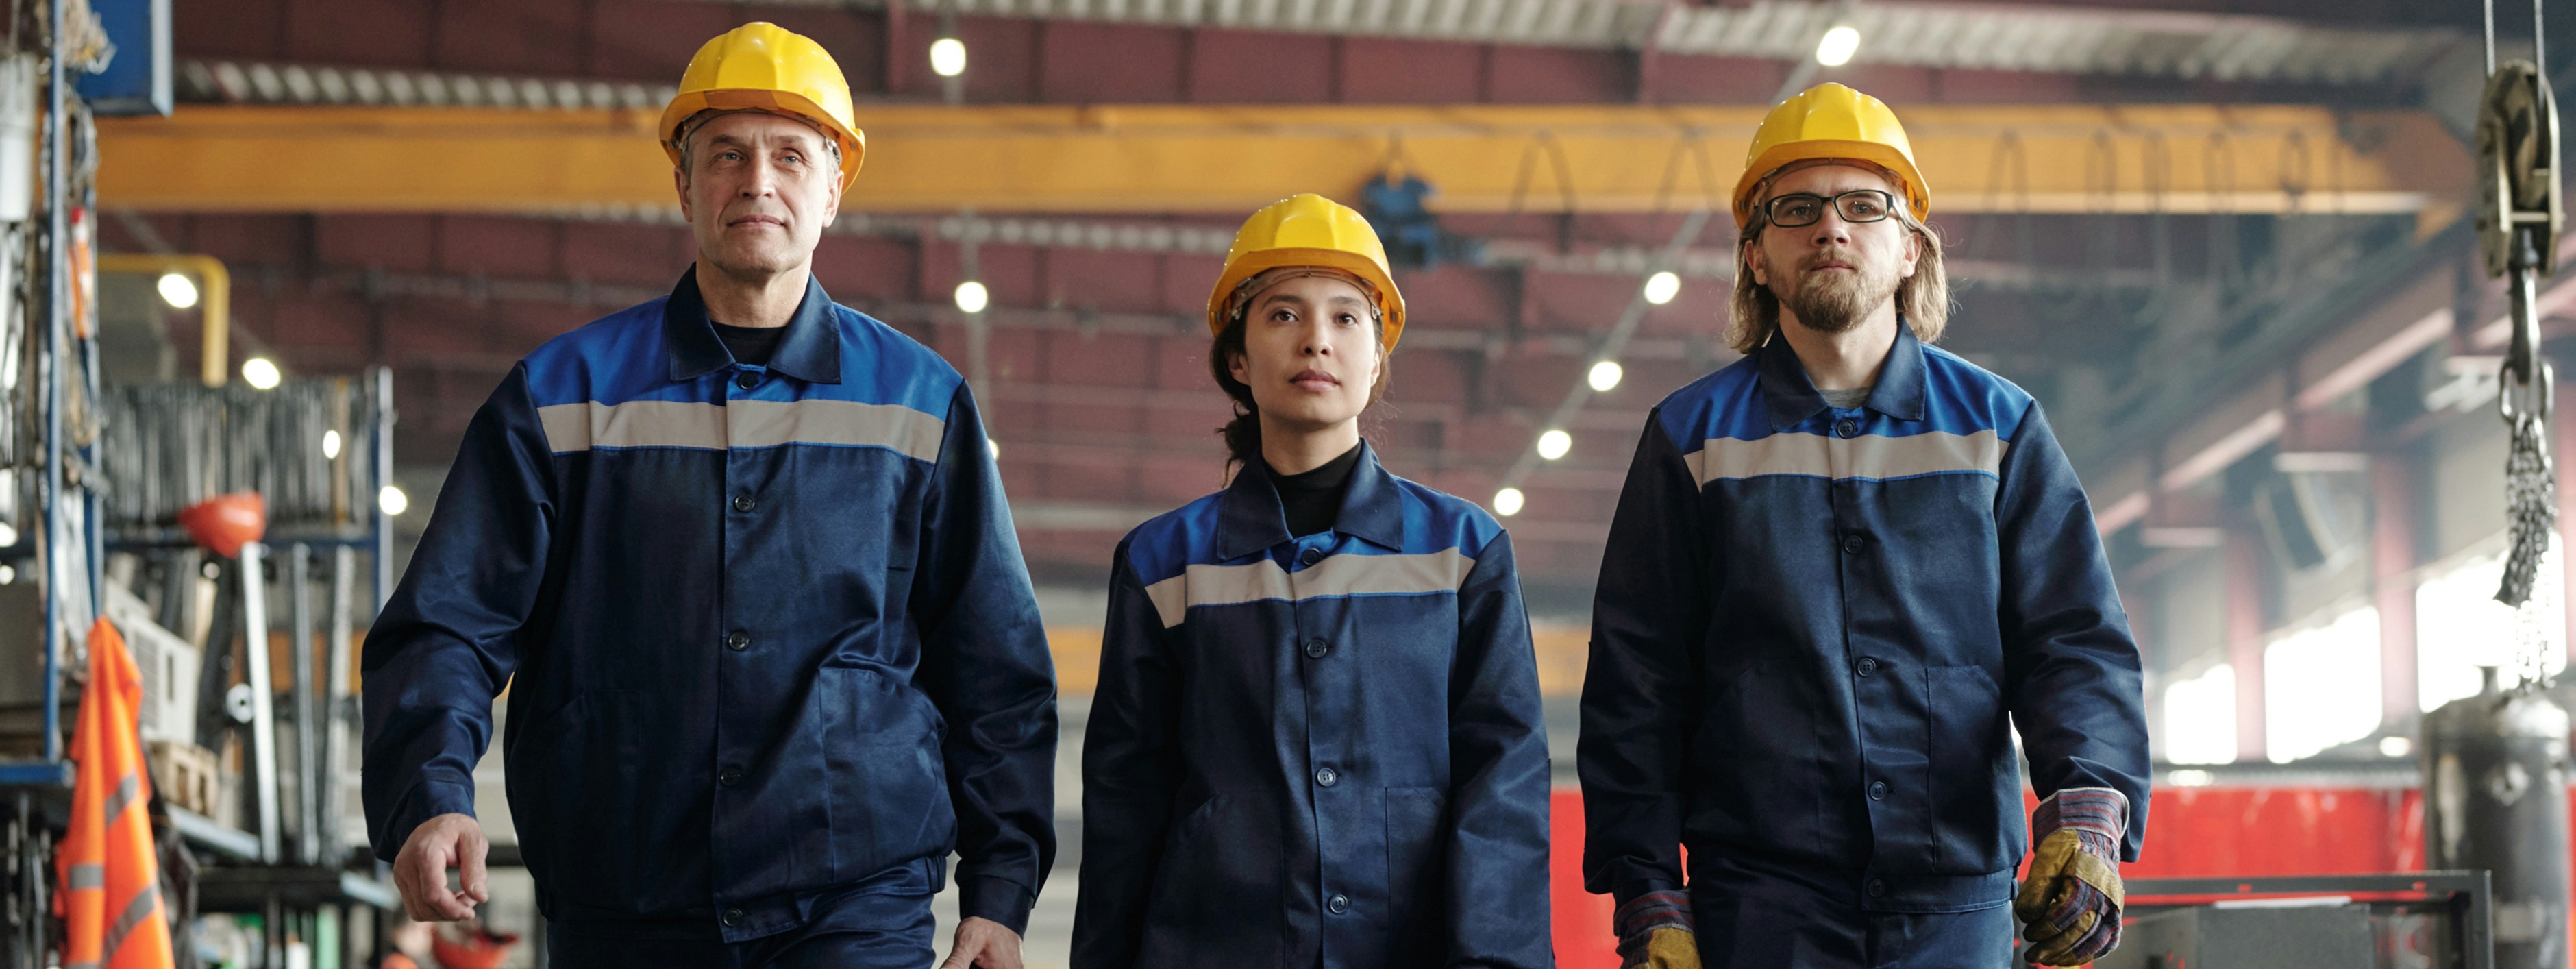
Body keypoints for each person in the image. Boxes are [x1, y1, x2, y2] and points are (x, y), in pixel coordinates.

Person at [360, 23, 1056, 969]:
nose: (757, 181)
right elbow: (449, 622)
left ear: (833, 187)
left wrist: (1002, 892)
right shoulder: (564, 396)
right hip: (625, 905)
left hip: (851, 910)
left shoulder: (919, 404)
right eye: (725, 154)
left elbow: (996, 669)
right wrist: (431, 791)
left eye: (789, 156)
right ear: (683, 186)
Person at [1578, 83, 2150, 969]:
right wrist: (1648, 888)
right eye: (1797, 209)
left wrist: (2089, 809)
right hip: (1762, 903)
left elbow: (2072, 641)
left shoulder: (1998, 428)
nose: (1831, 229)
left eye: (1864, 205)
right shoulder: (1692, 439)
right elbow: (1638, 683)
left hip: (1954, 896)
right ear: (1756, 258)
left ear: (1912, 248)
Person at [1071, 194, 1553, 969]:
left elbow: (1504, 785)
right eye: (1283, 315)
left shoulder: (1462, 553)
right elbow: (1126, 801)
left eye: (1346, 319)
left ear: (1376, 359)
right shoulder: (1165, 564)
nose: (1317, 342)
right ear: (1238, 357)